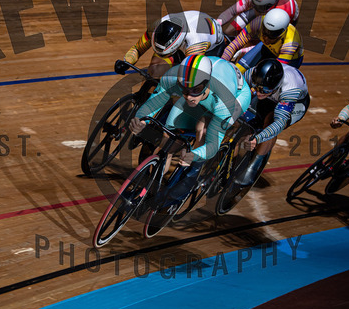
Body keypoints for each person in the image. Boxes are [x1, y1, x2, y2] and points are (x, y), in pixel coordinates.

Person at [129, 54, 252, 200]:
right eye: (184, 90)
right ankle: (150, 184)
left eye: (195, 90)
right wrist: (141, 120)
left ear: (206, 83)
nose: (188, 96)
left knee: (203, 129)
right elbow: (154, 102)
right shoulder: (173, 78)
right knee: (169, 133)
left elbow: (213, 145)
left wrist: (195, 155)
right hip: (207, 95)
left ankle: (192, 175)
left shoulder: (224, 99)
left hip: (235, 97)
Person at [237, 59, 310, 185]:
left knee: (270, 123)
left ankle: (254, 165)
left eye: (264, 90)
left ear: (276, 86)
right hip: (271, 96)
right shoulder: (253, 74)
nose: (258, 92)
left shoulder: (290, 88)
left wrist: (257, 139)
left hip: (295, 103)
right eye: (256, 87)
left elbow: (279, 124)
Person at [118, 11, 226, 78]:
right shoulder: (157, 26)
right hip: (185, 34)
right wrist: (127, 62)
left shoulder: (196, 43)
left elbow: (190, 76)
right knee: (154, 70)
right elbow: (137, 49)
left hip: (211, 48)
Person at [221, 8, 304, 71]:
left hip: (291, 60)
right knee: (238, 70)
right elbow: (234, 45)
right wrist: (221, 64)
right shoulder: (257, 23)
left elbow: (275, 70)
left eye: (271, 35)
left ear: (282, 34)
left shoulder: (290, 43)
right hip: (267, 48)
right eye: (265, 32)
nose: (266, 38)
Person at [217, 0, 299, 37]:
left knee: (265, 37)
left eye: (261, 7)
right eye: (255, 5)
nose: (257, 9)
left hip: (280, 19)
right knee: (229, 32)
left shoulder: (284, 10)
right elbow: (232, 11)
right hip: (268, 12)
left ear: (272, 5)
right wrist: (216, 25)